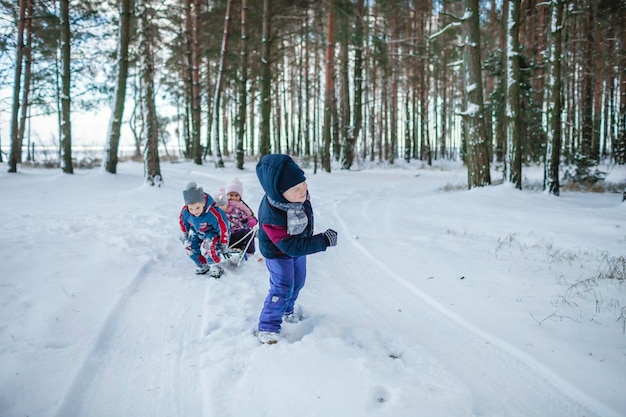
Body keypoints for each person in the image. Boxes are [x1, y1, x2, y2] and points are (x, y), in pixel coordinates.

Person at [254, 154, 338, 344]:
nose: (304, 191)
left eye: (304, 184)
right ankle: (267, 326)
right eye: (296, 189)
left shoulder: (295, 198)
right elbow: (290, 246)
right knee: (282, 286)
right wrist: (322, 240)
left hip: (298, 247)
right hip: (278, 253)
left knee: (298, 282)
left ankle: (286, 310)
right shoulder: (272, 217)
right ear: (278, 192)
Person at [179, 182, 230, 278]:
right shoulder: (185, 211)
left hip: (212, 233)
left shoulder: (212, 213)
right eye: (191, 209)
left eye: (197, 207)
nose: (194, 212)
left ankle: (215, 265)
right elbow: (183, 222)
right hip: (197, 232)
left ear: (203, 203)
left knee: (207, 247)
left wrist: (223, 243)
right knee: (189, 246)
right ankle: (202, 264)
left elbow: (223, 228)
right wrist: (185, 234)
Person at [216, 177, 258, 256]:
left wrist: (251, 221)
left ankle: (248, 252)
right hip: (225, 235)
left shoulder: (241, 208)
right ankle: (218, 249)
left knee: (248, 231)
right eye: (231, 195)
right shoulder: (223, 205)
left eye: (236, 195)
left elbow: (248, 217)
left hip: (237, 235)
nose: (234, 197)